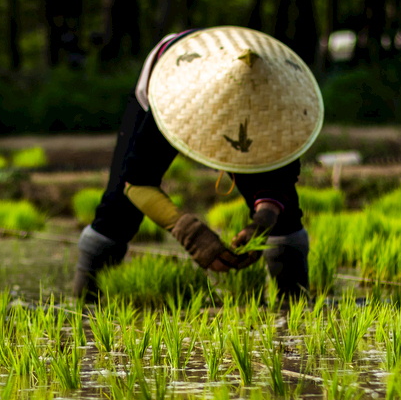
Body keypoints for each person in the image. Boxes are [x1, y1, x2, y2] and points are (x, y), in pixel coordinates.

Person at [72, 26, 324, 304]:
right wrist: (190, 234)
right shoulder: (172, 98)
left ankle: (296, 304)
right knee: (119, 209)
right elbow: (137, 182)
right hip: (172, 73)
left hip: (258, 79)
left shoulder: (281, 106)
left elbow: (279, 181)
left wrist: (262, 222)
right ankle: (85, 301)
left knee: (284, 213)